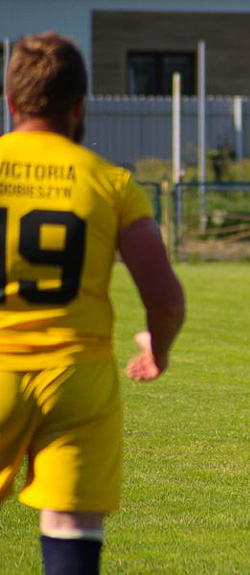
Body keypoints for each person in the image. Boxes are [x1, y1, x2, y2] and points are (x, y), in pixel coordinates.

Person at [0, 32, 185, 574]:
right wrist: (160, 349)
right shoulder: (110, 183)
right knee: (71, 533)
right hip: (77, 377)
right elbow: (165, 297)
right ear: (79, 106)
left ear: (11, 103)